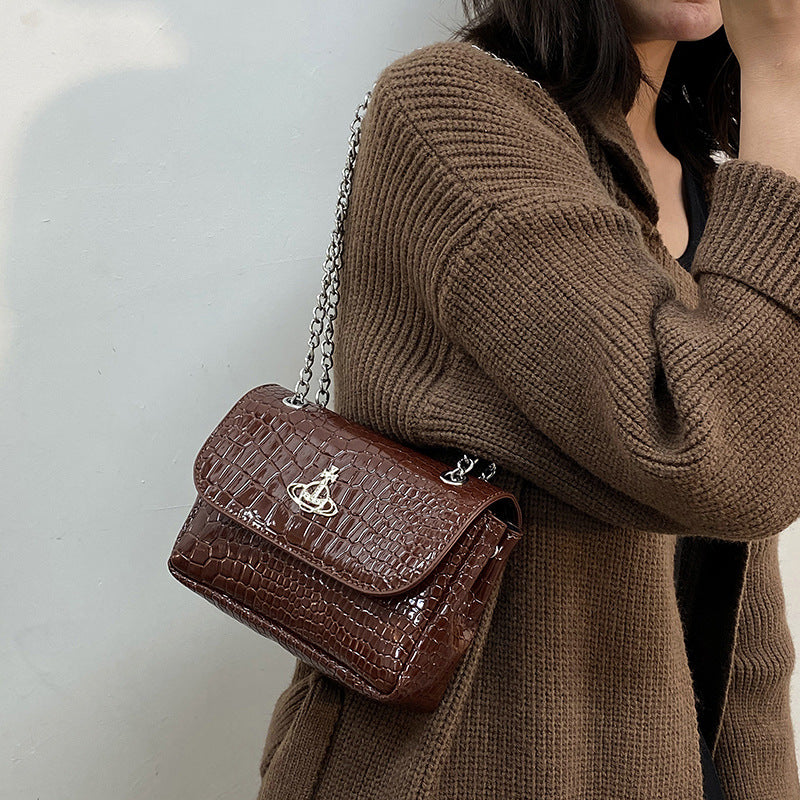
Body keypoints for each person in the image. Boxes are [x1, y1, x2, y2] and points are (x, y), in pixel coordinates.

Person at [256, 1, 800, 798]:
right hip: (466, 764)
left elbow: (737, 568)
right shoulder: (453, 109)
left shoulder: (716, 183)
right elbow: (718, 462)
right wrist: (783, 73)